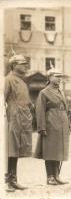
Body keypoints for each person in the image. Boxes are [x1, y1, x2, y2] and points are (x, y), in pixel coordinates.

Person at [34, 65, 70, 185]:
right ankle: (50, 177)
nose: (60, 79)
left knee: (59, 150)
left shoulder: (60, 91)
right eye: (57, 76)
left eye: (60, 76)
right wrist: (41, 127)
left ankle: (57, 176)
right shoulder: (44, 92)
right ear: (50, 77)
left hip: (62, 123)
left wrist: (68, 123)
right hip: (50, 123)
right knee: (50, 151)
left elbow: (66, 108)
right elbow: (40, 110)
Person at [5, 53, 33, 191]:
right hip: (13, 117)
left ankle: (13, 179)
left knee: (16, 149)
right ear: (14, 65)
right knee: (10, 149)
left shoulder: (22, 81)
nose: (25, 66)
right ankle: (8, 181)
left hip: (22, 118)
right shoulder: (8, 80)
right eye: (22, 64)